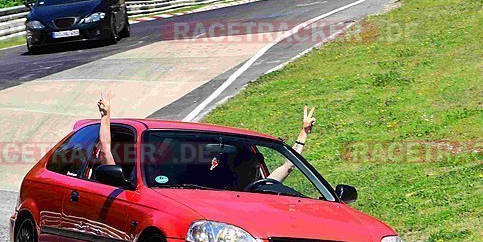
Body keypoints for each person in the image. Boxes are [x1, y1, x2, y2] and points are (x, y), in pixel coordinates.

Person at [95, 93, 317, 185]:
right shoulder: (203, 183)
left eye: (254, 166)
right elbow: (105, 150)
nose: (254, 171)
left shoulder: (259, 188)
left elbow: (288, 166)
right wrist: (106, 118)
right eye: (249, 166)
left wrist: (303, 133)